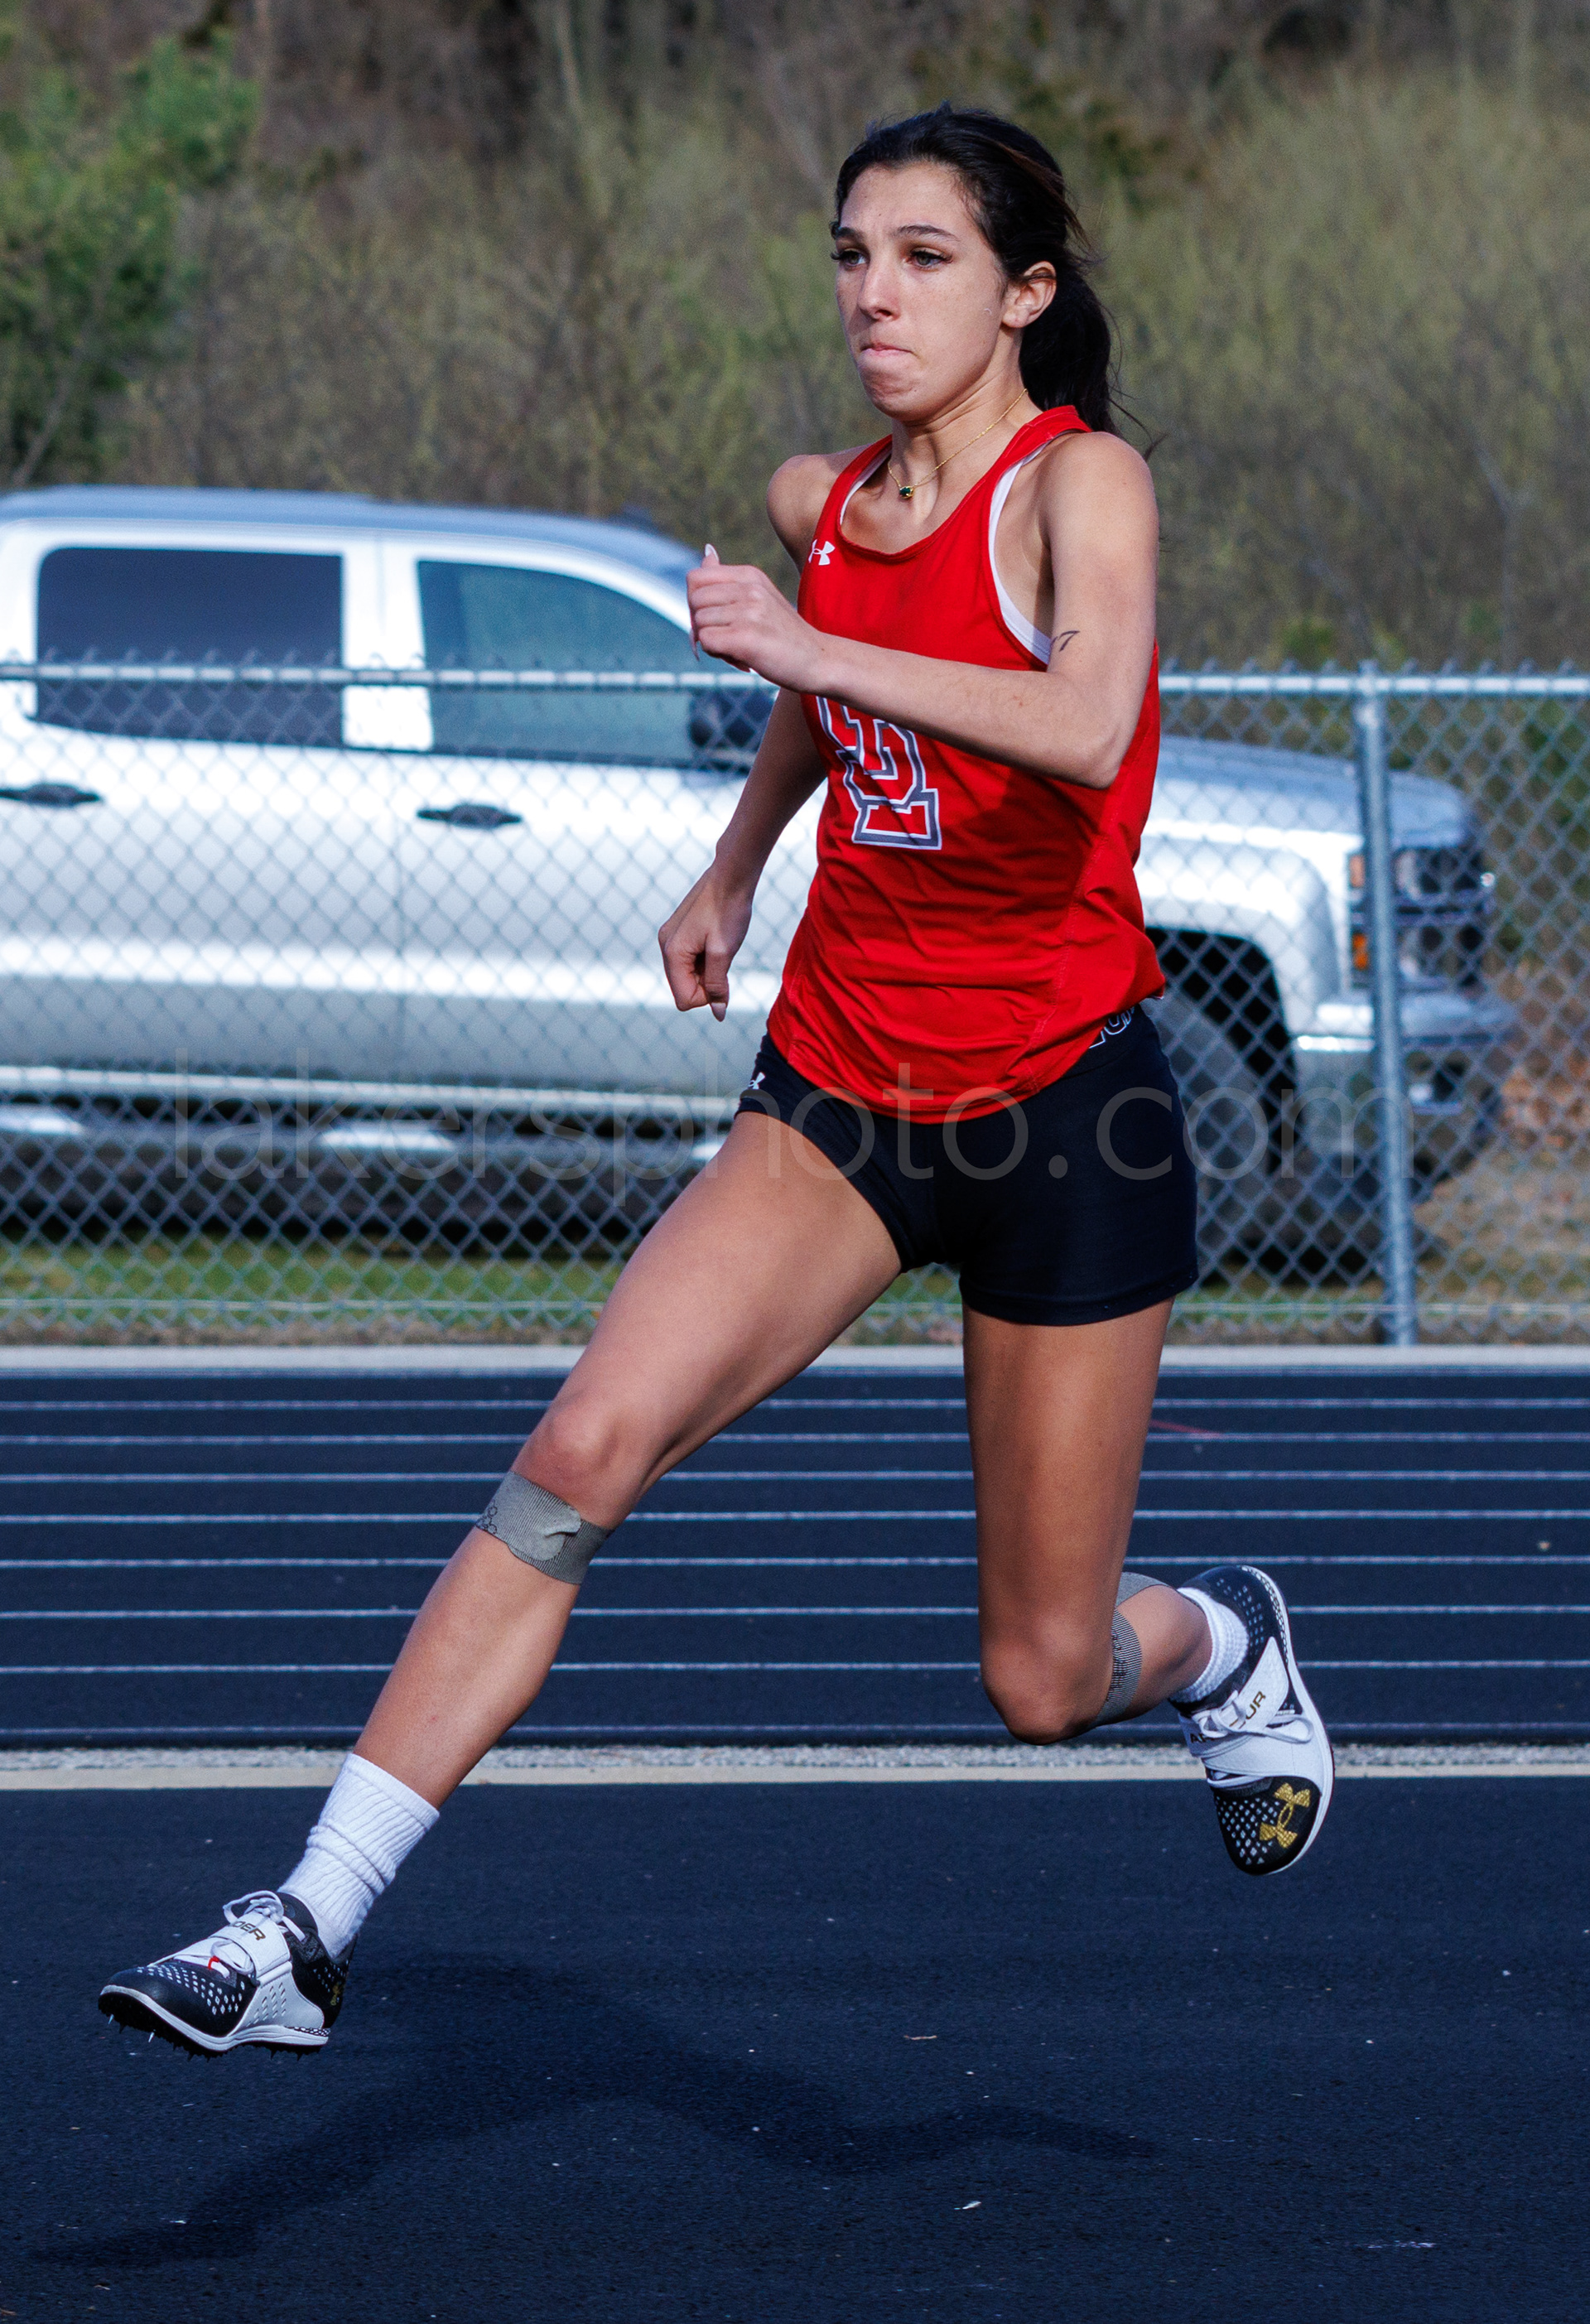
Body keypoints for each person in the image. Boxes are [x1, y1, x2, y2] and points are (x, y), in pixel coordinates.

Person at [99, 103, 1332, 2056]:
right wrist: (738, 859)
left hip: (1064, 1117)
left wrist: (815, 648)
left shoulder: (1080, 483)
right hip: (838, 1091)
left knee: (1040, 1673)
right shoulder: (825, 500)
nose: (873, 295)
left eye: (924, 258)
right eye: (851, 255)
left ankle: (1225, 1639)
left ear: (1024, 292)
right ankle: (298, 1928)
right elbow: (826, 694)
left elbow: (1090, 721)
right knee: (579, 1452)